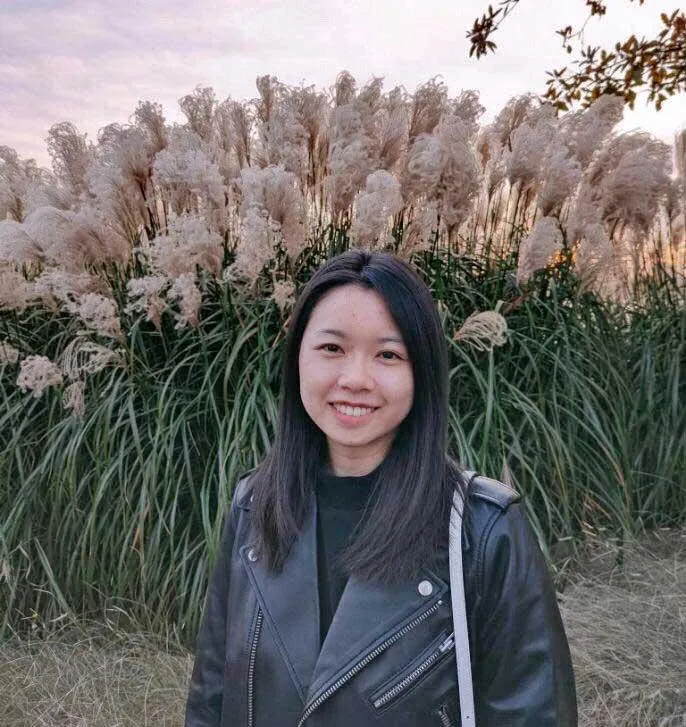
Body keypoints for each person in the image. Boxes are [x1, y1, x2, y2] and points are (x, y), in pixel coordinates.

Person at [185, 249, 577, 726]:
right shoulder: (254, 507)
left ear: (421, 372)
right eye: (332, 349)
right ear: (297, 358)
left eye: (388, 355)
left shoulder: (483, 530)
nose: (355, 379)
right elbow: (212, 697)